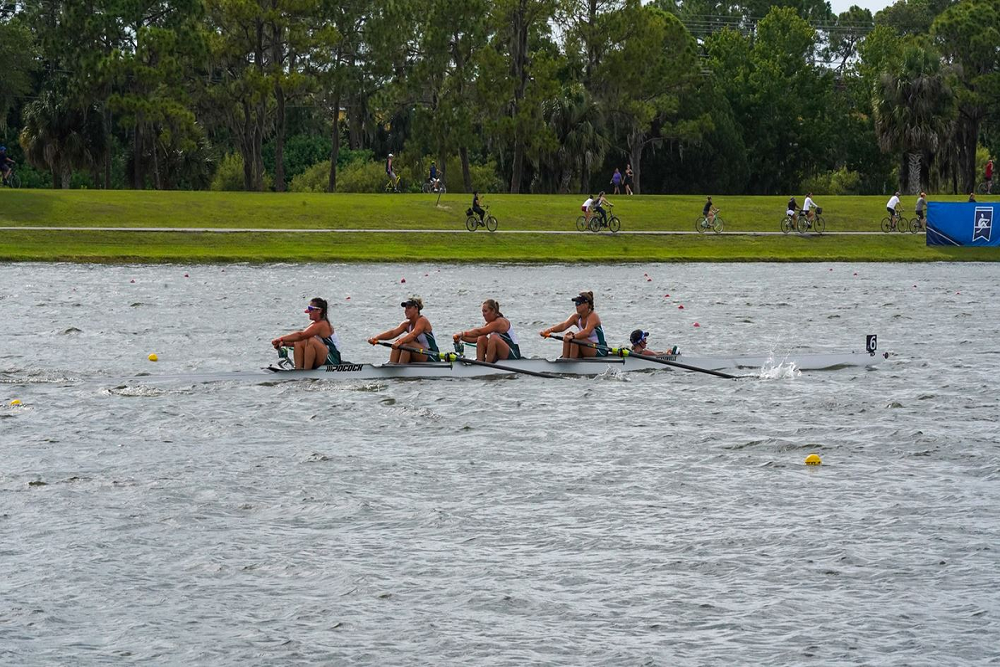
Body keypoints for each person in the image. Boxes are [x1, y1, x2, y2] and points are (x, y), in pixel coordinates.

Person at [270, 298, 341, 370]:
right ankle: (298, 370)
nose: (308, 312)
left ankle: (306, 372)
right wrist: (282, 343)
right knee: (299, 342)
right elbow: (300, 340)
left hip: (333, 360)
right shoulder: (314, 325)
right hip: (322, 356)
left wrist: (280, 339)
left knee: (311, 340)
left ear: (319, 310)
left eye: (310, 308)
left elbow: (300, 335)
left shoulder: (323, 324)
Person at [368, 297, 439, 364]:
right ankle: (392, 365)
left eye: (409, 308)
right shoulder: (406, 324)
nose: (406, 310)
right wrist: (376, 338)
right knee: (399, 341)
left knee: (407, 343)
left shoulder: (422, 320)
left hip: (432, 356)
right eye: (405, 308)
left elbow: (413, 334)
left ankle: (400, 369)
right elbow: (392, 333)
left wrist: (399, 342)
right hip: (419, 354)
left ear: (416, 309)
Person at [539, 291, 608, 359]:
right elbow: (563, 326)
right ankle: (565, 360)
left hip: (599, 349)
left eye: (578, 303)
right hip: (587, 347)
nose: (576, 306)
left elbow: (586, 332)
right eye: (575, 304)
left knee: (575, 339)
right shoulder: (576, 317)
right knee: (568, 335)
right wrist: (548, 331)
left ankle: (572, 364)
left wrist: (573, 337)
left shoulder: (593, 316)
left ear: (586, 304)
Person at [453, 299, 521, 363]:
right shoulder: (490, 324)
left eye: (485, 311)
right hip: (501, 354)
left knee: (493, 338)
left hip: (513, 355)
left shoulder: (500, 322)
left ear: (493, 311)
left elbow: (479, 331)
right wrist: (460, 338)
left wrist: (462, 333)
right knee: (481, 338)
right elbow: (476, 338)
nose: (483, 314)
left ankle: (487, 365)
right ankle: (480, 364)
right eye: (482, 311)